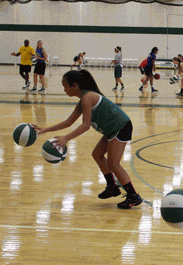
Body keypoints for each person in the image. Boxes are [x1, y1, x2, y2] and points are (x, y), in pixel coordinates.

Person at [33, 69, 142, 209]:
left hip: (121, 127)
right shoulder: (83, 100)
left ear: (75, 85)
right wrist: (44, 130)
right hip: (112, 129)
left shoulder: (87, 97)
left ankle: (133, 196)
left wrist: (66, 138)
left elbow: (85, 126)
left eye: (65, 86)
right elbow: (68, 122)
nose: (64, 90)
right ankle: (112, 187)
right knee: (97, 154)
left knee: (114, 164)